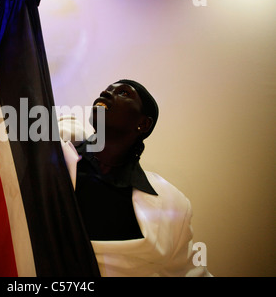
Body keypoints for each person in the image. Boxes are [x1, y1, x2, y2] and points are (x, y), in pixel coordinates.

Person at [59, 79, 212, 277]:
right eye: (106, 90)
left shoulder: (172, 204)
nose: (105, 93)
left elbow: (189, 273)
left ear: (143, 123)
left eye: (123, 93)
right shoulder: (53, 159)